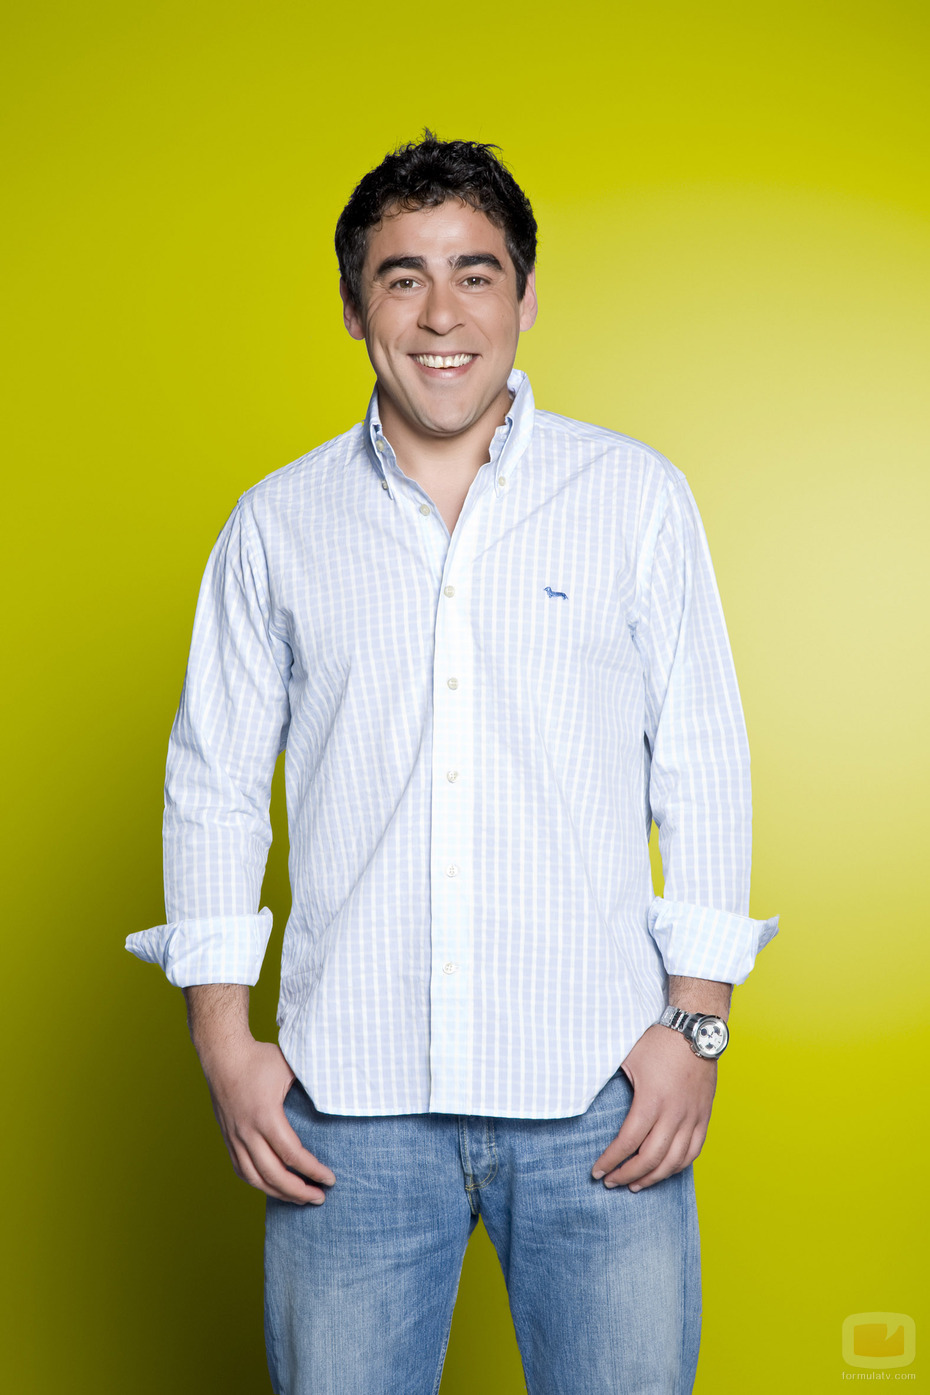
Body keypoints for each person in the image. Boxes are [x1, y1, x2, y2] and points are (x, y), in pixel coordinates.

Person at [127, 132, 778, 1395]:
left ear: (524, 299)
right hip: (348, 1115)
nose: (442, 315)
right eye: (403, 276)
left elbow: (703, 763)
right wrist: (223, 1043)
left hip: (602, 1097)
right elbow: (212, 785)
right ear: (353, 305)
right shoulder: (277, 525)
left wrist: (694, 1031)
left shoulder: (635, 499)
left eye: (476, 275)